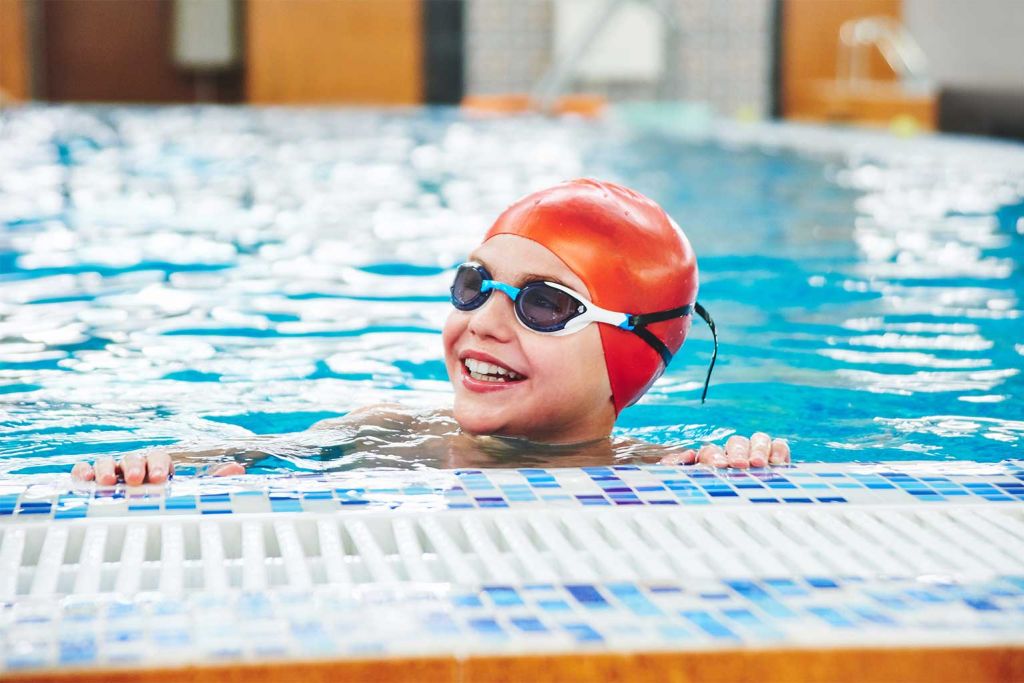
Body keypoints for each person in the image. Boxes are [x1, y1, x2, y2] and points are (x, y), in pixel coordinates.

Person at [72, 179, 790, 485]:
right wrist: (153, 466)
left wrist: (747, 467)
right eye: (473, 284)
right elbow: (238, 455)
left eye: (543, 304)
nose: (483, 319)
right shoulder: (384, 431)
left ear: (630, 355)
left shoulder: (663, 470)